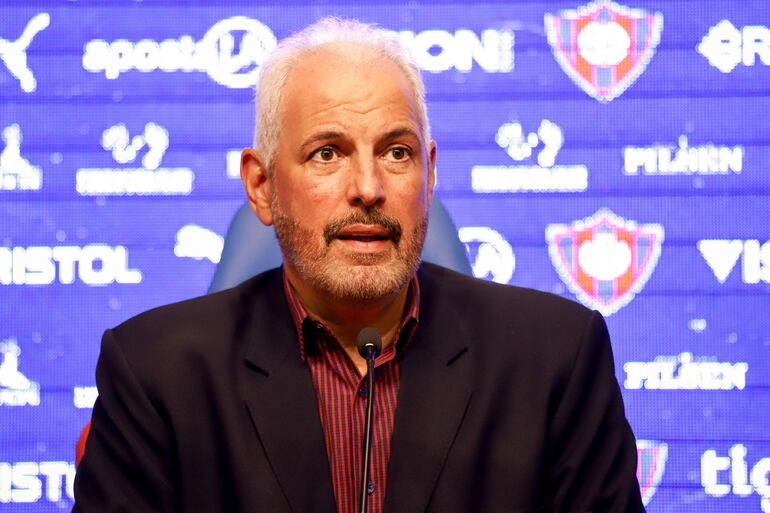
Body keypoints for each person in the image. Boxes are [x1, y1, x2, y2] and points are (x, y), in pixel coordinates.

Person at [73, 17, 645, 513]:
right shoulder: (155, 373)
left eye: (398, 152)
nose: (369, 189)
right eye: (328, 153)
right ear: (262, 186)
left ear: (431, 173)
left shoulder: (558, 359)